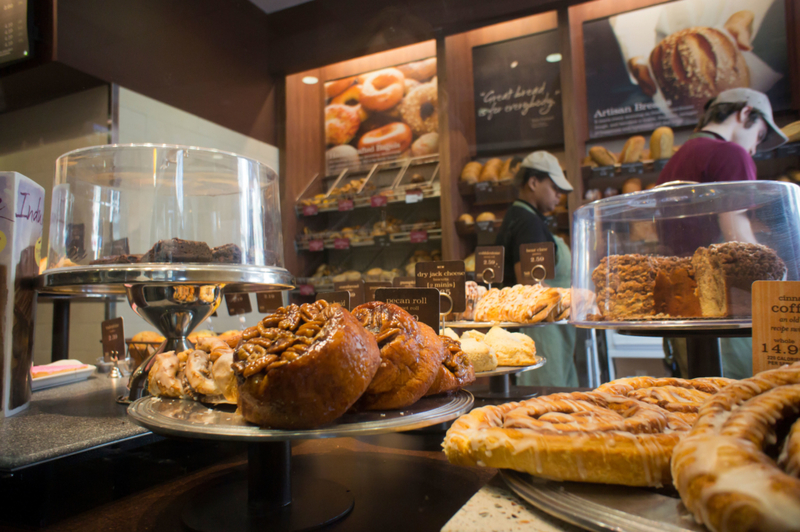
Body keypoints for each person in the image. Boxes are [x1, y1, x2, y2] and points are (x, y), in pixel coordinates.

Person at [656, 88, 788, 379]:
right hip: (727, 305)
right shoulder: (731, 153)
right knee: (744, 405)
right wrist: (778, 290)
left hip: (684, 307)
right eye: (760, 135)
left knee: (700, 402)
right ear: (744, 113)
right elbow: (737, 238)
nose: (755, 148)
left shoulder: (676, 160)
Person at [495, 150, 578, 387]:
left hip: (541, 332)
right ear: (533, 182)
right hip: (540, 334)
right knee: (546, 404)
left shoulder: (519, 216)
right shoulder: (528, 223)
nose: (559, 196)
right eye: (555, 188)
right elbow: (530, 289)